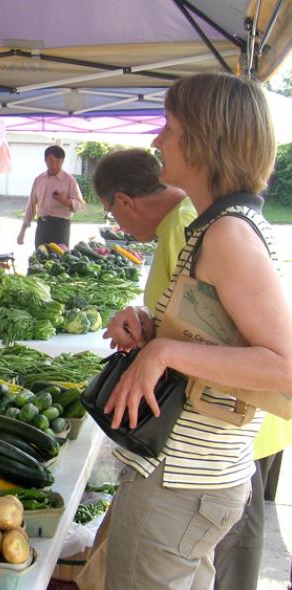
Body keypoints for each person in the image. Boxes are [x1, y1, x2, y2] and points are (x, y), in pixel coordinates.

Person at [100, 72, 291, 590]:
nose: (158, 141)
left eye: (170, 127)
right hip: (191, 479)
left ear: (207, 140)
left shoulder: (227, 233)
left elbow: (284, 366)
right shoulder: (216, 223)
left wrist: (162, 351)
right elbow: (218, 338)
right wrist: (149, 331)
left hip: (181, 482)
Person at [92, 148, 197, 312]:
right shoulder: (176, 221)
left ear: (124, 201)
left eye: (111, 212)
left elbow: (194, 324)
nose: (121, 228)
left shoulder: (179, 227)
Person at [17, 145, 85, 248]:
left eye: (58, 162)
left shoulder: (69, 180)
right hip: (43, 225)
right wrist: (22, 231)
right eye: (51, 161)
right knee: (40, 258)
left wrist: (66, 201)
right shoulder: (39, 179)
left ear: (63, 161)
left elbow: (81, 205)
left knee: (60, 260)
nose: (54, 165)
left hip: (61, 226)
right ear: (45, 160)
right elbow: (31, 205)